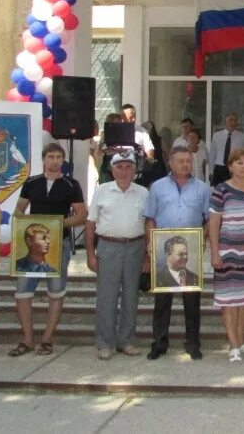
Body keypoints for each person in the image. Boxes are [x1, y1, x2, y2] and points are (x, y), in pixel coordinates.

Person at [9, 142, 87, 357]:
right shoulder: (31, 182)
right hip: (31, 245)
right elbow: (19, 209)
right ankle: (27, 339)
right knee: (23, 292)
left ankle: (47, 339)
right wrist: (22, 226)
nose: (54, 160)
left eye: (58, 157)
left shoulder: (72, 184)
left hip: (59, 244)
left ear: (63, 160)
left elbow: (81, 215)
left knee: (56, 292)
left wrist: (58, 224)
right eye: (50, 156)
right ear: (43, 159)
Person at [145, 146, 211, 361]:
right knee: (162, 300)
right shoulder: (157, 187)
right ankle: (159, 342)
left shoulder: (202, 188)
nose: (185, 164)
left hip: (190, 250)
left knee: (192, 300)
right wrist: (151, 242)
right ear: (171, 163)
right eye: (180, 161)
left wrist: (203, 238)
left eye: (188, 161)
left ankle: (193, 343)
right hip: (164, 248)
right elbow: (150, 218)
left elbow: (210, 219)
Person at [85, 151, 149, 360]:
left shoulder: (143, 193)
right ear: (112, 170)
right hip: (108, 247)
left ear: (135, 169)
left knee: (131, 296)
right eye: (119, 167)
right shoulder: (102, 191)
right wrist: (90, 254)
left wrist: (148, 255)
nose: (124, 171)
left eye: (128, 166)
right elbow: (90, 224)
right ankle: (105, 343)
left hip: (135, 247)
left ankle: (127, 340)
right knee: (107, 297)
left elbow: (148, 225)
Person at [209, 148, 244, 362]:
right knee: (229, 301)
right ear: (230, 166)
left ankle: (242, 341)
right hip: (228, 253)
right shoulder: (221, 190)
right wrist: (215, 252)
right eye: (239, 163)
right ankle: (232, 344)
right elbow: (214, 223)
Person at [209, 113, 244, 186]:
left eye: (235, 120)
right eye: (230, 120)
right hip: (219, 169)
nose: (233, 122)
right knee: (219, 194)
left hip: (235, 169)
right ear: (225, 121)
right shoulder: (216, 135)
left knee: (234, 193)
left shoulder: (243, 137)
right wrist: (211, 172)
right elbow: (212, 155)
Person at [94, 113, 125, 184]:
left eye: (120, 123)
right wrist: (114, 150)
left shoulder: (123, 135)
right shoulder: (105, 134)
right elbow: (101, 149)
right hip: (107, 168)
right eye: (116, 123)